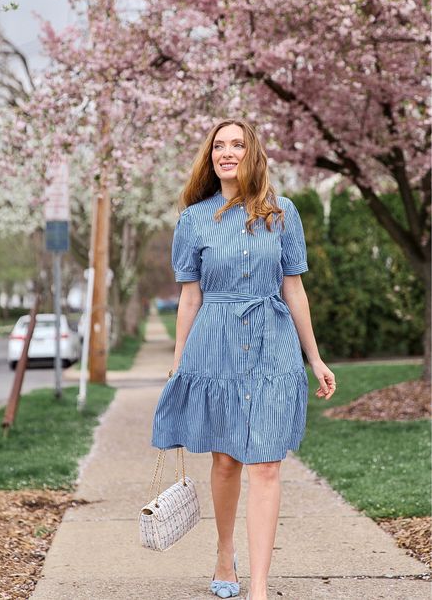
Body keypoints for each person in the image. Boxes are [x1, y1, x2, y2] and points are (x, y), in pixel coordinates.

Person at [151, 118, 337, 600]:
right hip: (215, 344)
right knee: (228, 460)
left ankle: (258, 587)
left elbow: (294, 288)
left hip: (273, 341)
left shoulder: (284, 213)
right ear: (210, 157)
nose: (226, 152)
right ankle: (224, 552)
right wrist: (178, 361)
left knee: (268, 465)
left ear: (252, 153)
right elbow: (189, 298)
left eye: (236, 144)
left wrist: (314, 358)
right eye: (219, 146)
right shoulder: (194, 219)